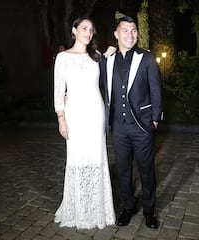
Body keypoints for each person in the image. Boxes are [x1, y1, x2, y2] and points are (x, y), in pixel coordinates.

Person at [100, 15, 163, 229]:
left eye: (134, 30)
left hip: (142, 125)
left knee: (146, 170)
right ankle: (128, 206)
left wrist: (155, 119)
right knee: (124, 170)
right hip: (118, 127)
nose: (130, 34)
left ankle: (149, 210)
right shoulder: (107, 60)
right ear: (116, 34)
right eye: (125, 30)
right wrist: (68, 95)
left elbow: (156, 90)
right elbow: (90, 79)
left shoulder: (147, 58)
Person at [53, 16, 115, 229]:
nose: (88, 33)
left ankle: (98, 209)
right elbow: (58, 90)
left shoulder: (96, 56)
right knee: (77, 158)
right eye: (84, 28)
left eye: (91, 30)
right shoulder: (62, 57)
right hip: (75, 115)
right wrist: (61, 119)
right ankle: (78, 208)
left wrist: (110, 53)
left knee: (97, 157)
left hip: (96, 113)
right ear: (74, 30)